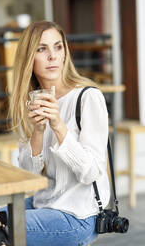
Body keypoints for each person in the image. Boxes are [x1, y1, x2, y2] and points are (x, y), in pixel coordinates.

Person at [10, 21, 110, 246]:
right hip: (44, 204)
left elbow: (91, 172)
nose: (52, 56)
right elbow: (30, 178)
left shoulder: (88, 97)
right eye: (42, 49)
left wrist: (58, 125)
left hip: (79, 214)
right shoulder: (32, 101)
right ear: (29, 58)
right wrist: (38, 130)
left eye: (58, 47)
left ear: (65, 52)